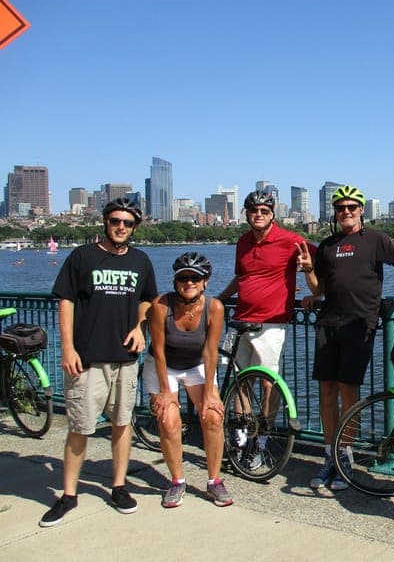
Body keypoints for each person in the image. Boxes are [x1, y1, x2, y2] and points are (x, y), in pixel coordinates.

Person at [40, 198, 158, 527]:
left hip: (125, 358)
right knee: (80, 427)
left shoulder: (140, 260)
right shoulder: (82, 256)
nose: (121, 227)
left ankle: (118, 487)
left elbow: (148, 298)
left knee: (122, 424)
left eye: (127, 223)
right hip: (87, 357)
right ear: (105, 222)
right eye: (115, 221)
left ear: (135, 227)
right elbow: (66, 302)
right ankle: (68, 494)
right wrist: (68, 348)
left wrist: (140, 327)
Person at [298, 184, 394, 491]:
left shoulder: (376, 239)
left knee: (348, 390)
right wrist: (308, 271)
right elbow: (320, 288)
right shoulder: (327, 245)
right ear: (335, 213)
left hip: (359, 324)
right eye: (341, 208)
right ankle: (330, 456)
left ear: (361, 210)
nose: (346, 212)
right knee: (327, 391)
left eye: (352, 207)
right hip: (328, 323)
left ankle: (345, 457)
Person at [218, 190, 311, 470]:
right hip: (240, 319)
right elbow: (241, 277)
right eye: (253, 210)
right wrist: (219, 299)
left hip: (271, 323)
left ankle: (261, 441)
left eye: (264, 211)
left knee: (268, 383)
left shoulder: (291, 240)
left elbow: (322, 263)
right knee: (239, 381)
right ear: (246, 214)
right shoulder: (243, 242)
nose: (258, 214)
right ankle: (240, 440)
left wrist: (315, 291)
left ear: (273, 215)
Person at [144, 252, 232, 508]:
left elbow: (210, 352)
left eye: (195, 278)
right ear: (175, 282)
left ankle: (214, 481)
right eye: (183, 278)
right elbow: (158, 349)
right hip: (163, 366)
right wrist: (165, 391)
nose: (189, 282)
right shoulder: (161, 306)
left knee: (213, 416)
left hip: (196, 365)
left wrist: (210, 393)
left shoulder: (214, 307)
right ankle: (177, 481)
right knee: (168, 420)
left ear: (205, 281)